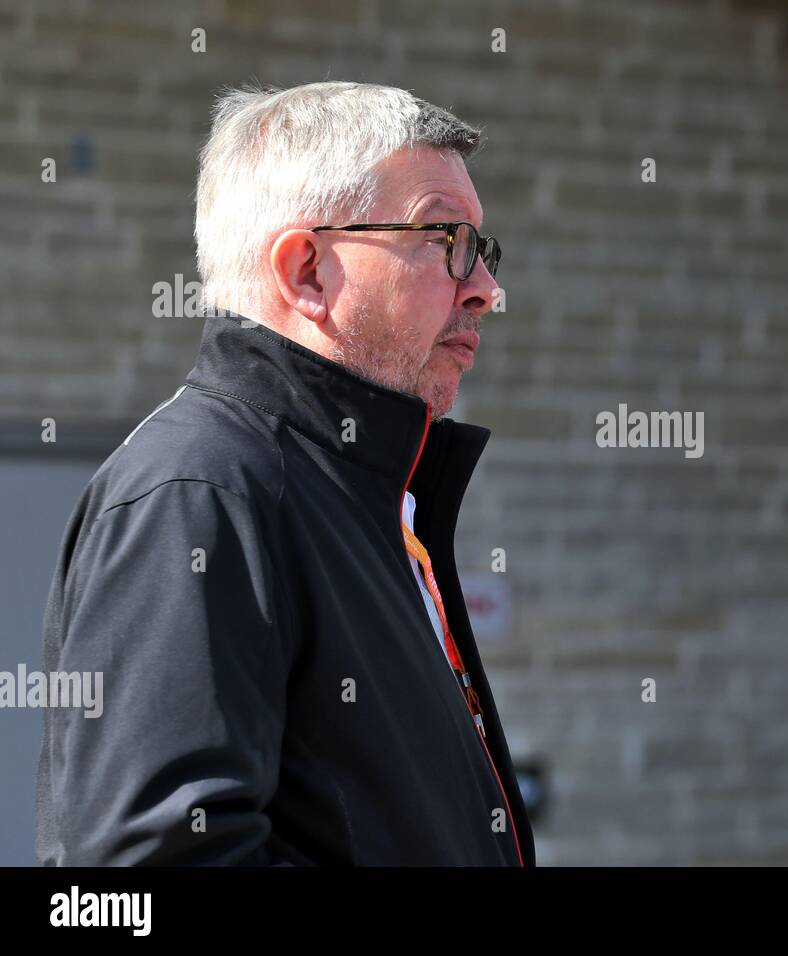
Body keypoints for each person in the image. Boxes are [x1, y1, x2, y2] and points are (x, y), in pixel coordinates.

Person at [36, 81, 533, 865]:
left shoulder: (366, 495)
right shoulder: (198, 493)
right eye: (446, 241)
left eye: (483, 251)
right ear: (306, 271)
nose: (485, 288)